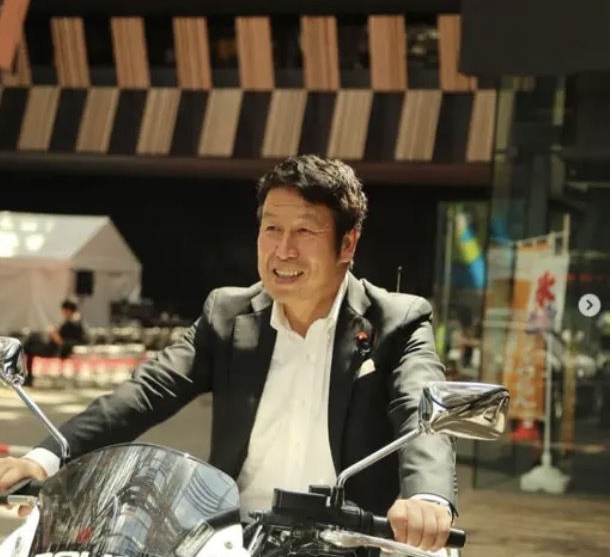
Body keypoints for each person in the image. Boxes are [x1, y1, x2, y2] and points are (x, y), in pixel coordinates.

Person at [0, 155, 457, 552]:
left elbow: (422, 413)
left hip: (352, 544)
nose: (283, 250)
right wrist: (45, 458)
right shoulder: (227, 314)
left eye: (304, 231)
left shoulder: (397, 321)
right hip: (236, 542)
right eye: (272, 228)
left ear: (348, 243)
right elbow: (143, 393)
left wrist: (428, 498)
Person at [22, 298, 88, 386]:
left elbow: (62, 342)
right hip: (55, 348)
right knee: (32, 340)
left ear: (68, 310)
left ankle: (29, 377)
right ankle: (28, 375)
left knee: (30, 346)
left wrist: (53, 334)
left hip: (55, 350)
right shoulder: (76, 323)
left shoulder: (71, 324)